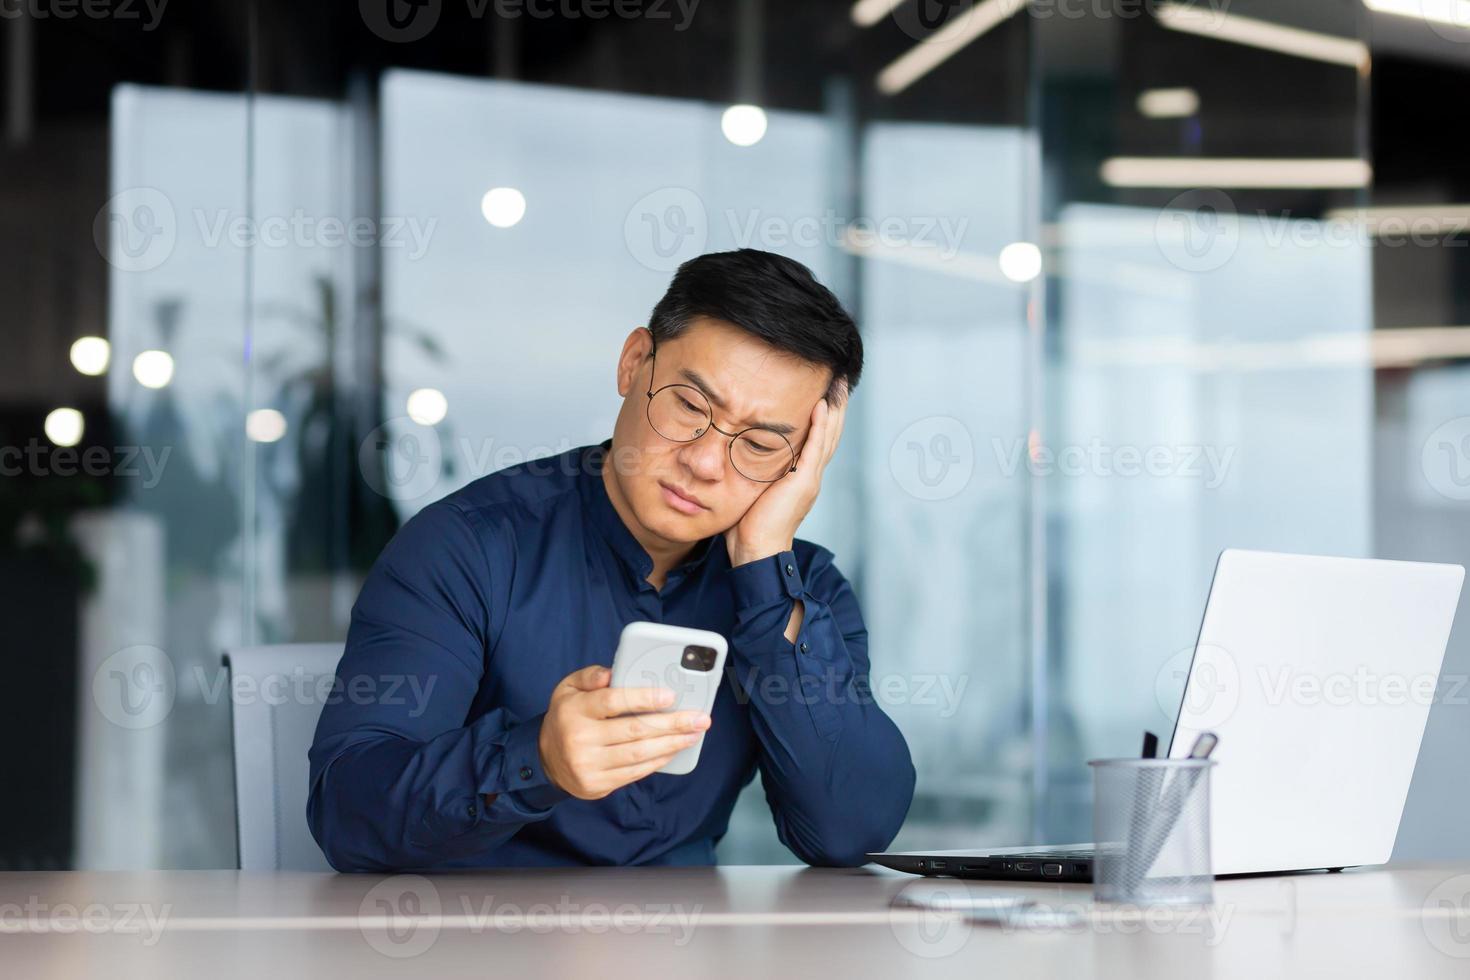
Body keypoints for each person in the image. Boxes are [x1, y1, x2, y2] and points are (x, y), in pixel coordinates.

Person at [307, 248, 915, 870]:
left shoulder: (801, 591)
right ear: (634, 364)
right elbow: (347, 810)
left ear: (802, 461)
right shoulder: (468, 547)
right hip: (477, 945)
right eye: (689, 407)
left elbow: (848, 831)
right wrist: (535, 759)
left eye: (760, 445)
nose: (705, 464)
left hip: (692, 955)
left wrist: (762, 561)